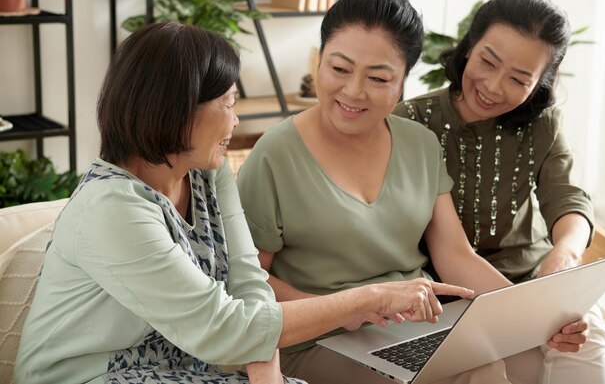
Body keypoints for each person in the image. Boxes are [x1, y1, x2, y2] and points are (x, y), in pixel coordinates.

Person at [14, 22, 474, 384]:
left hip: (192, 368)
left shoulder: (207, 174)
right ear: (177, 109)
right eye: (229, 103)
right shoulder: (111, 208)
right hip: (96, 376)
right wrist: (370, 298)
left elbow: (248, 282)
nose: (235, 120)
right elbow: (223, 328)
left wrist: (267, 375)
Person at [236, 0, 605, 384]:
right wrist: (347, 308)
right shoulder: (274, 154)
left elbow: (453, 254)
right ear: (319, 60)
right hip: (317, 334)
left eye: (378, 78)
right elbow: (249, 282)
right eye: (339, 68)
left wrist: (537, 314)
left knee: (496, 367)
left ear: (402, 84)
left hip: (412, 326)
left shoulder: (418, 142)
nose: (354, 91)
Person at [392, 0, 605, 382]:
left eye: (519, 79)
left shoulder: (544, 124)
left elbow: (567, 197)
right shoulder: (411, 121)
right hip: (446, 294)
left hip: (533, 278)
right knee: (502, 365)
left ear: (540, 82)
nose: (492, 86)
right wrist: (531, 317)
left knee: (587, 338)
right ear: (467, 47)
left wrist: (564, 257)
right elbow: (440, 248)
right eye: (487, 62)